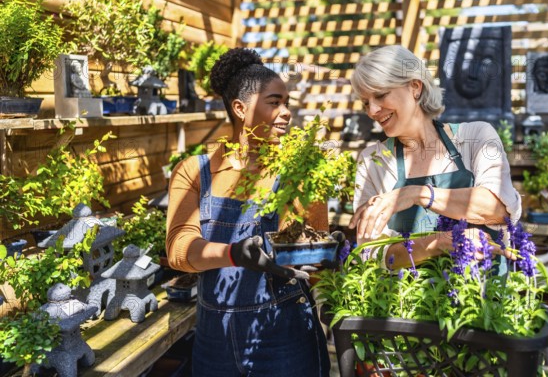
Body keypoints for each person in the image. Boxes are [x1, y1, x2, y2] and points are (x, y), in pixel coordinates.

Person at [166, 48, 331, 376]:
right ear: (240, 108)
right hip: (216, 339)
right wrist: (233, 254)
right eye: (274, 102)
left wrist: (318, 245)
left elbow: (312, 257)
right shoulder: (195, 171)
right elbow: (179, 251)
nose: (286, 112)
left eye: (287, 103)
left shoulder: (296, 170)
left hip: (285, 335)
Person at [347, 45, 522, 269]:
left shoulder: (476, 137)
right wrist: (439, 243)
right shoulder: (373, 161)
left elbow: (498, 210)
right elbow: (373, 255)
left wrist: (416, 194)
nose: (372, 111)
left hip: (484, 298)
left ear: (415, 87)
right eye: (365, 102)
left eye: (380, 95)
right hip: (409, 302)